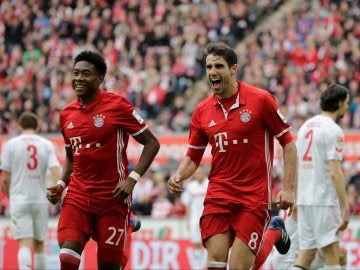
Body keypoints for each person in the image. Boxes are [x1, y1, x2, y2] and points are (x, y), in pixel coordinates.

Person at [167, 42, 297, 270]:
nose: (212, 72)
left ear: (233, 69)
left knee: (240, 267)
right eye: (208, 67)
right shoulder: (202, 111)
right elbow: (193, 156)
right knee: (215, 264)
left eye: (219, 66)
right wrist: (178, 175)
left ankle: (275, 231)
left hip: (253, 196)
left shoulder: (261, 100)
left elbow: (288, 143)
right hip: (219, 194)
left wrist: (288, 188)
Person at [46, 50, 160, 270]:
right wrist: (61, 184)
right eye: (76, 73)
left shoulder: (117, 106)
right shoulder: (66, 114)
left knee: (109, 267)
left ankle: (127, 222)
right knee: (67, 258)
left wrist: (132, 179)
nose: (78, 78)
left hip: (112, 198)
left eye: (86, 74)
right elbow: (71, 157)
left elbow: (152, 143)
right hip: (78, 195)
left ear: (100, 79)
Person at [293, 84, 350, 270]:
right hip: (324, 201)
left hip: (304, 200)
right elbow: (335, 172)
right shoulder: (334, 131)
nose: (347, 107)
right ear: (340, 103)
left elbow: (298, 166)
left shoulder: (305, 127)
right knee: (332, 255)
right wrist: (345, 206)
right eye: (347, 103)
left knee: (306, 254)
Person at [0, 111, 61, 270]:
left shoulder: (10, 144)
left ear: (20, 125)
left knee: (24, 243)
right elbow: (55, 172)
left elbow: (5, 178)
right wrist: (64, 193)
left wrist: (11, 197)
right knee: (39, 243)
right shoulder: (46, 144)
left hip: (19, 200)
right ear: (37, 126)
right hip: (40, 200)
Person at [273, 210, 347, 270]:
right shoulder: (303, 203)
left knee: (340, 253)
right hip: (291, 258)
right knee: (337, 253)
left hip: (289, 256)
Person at [181, 166, 209, 269]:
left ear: (204, 174)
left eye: (201, 172)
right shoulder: (191, 187)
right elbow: (187, 204)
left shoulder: (209, 185)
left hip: (207, 218)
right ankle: (197, 266)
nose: (199, 175)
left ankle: (205, 265)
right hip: (194, 219)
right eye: (197, 173)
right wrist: (187, 220)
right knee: (196, 242)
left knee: (208, 243)